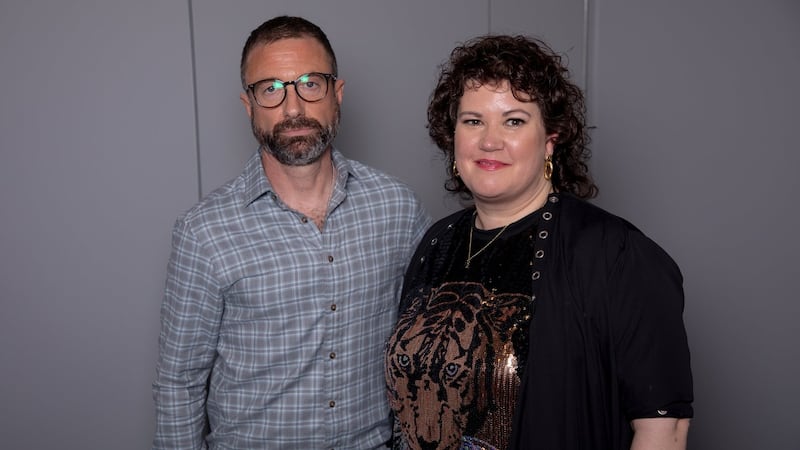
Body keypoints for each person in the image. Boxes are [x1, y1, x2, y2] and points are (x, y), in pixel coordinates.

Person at [384, 35, 693, 450]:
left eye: (514, 121)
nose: (489, 140)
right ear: (452, 135)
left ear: (551, 138)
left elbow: (664, 429)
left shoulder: (614, 254)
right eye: (473, 121)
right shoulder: (436, 242)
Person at [152, 15, 431, 449]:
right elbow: (179, 384)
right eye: (271, 89)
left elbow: (427, 351)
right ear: (249, 105)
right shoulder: (203, 232)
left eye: (310, 84)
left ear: (337, 94)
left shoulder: (398, 208)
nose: (294, 108)